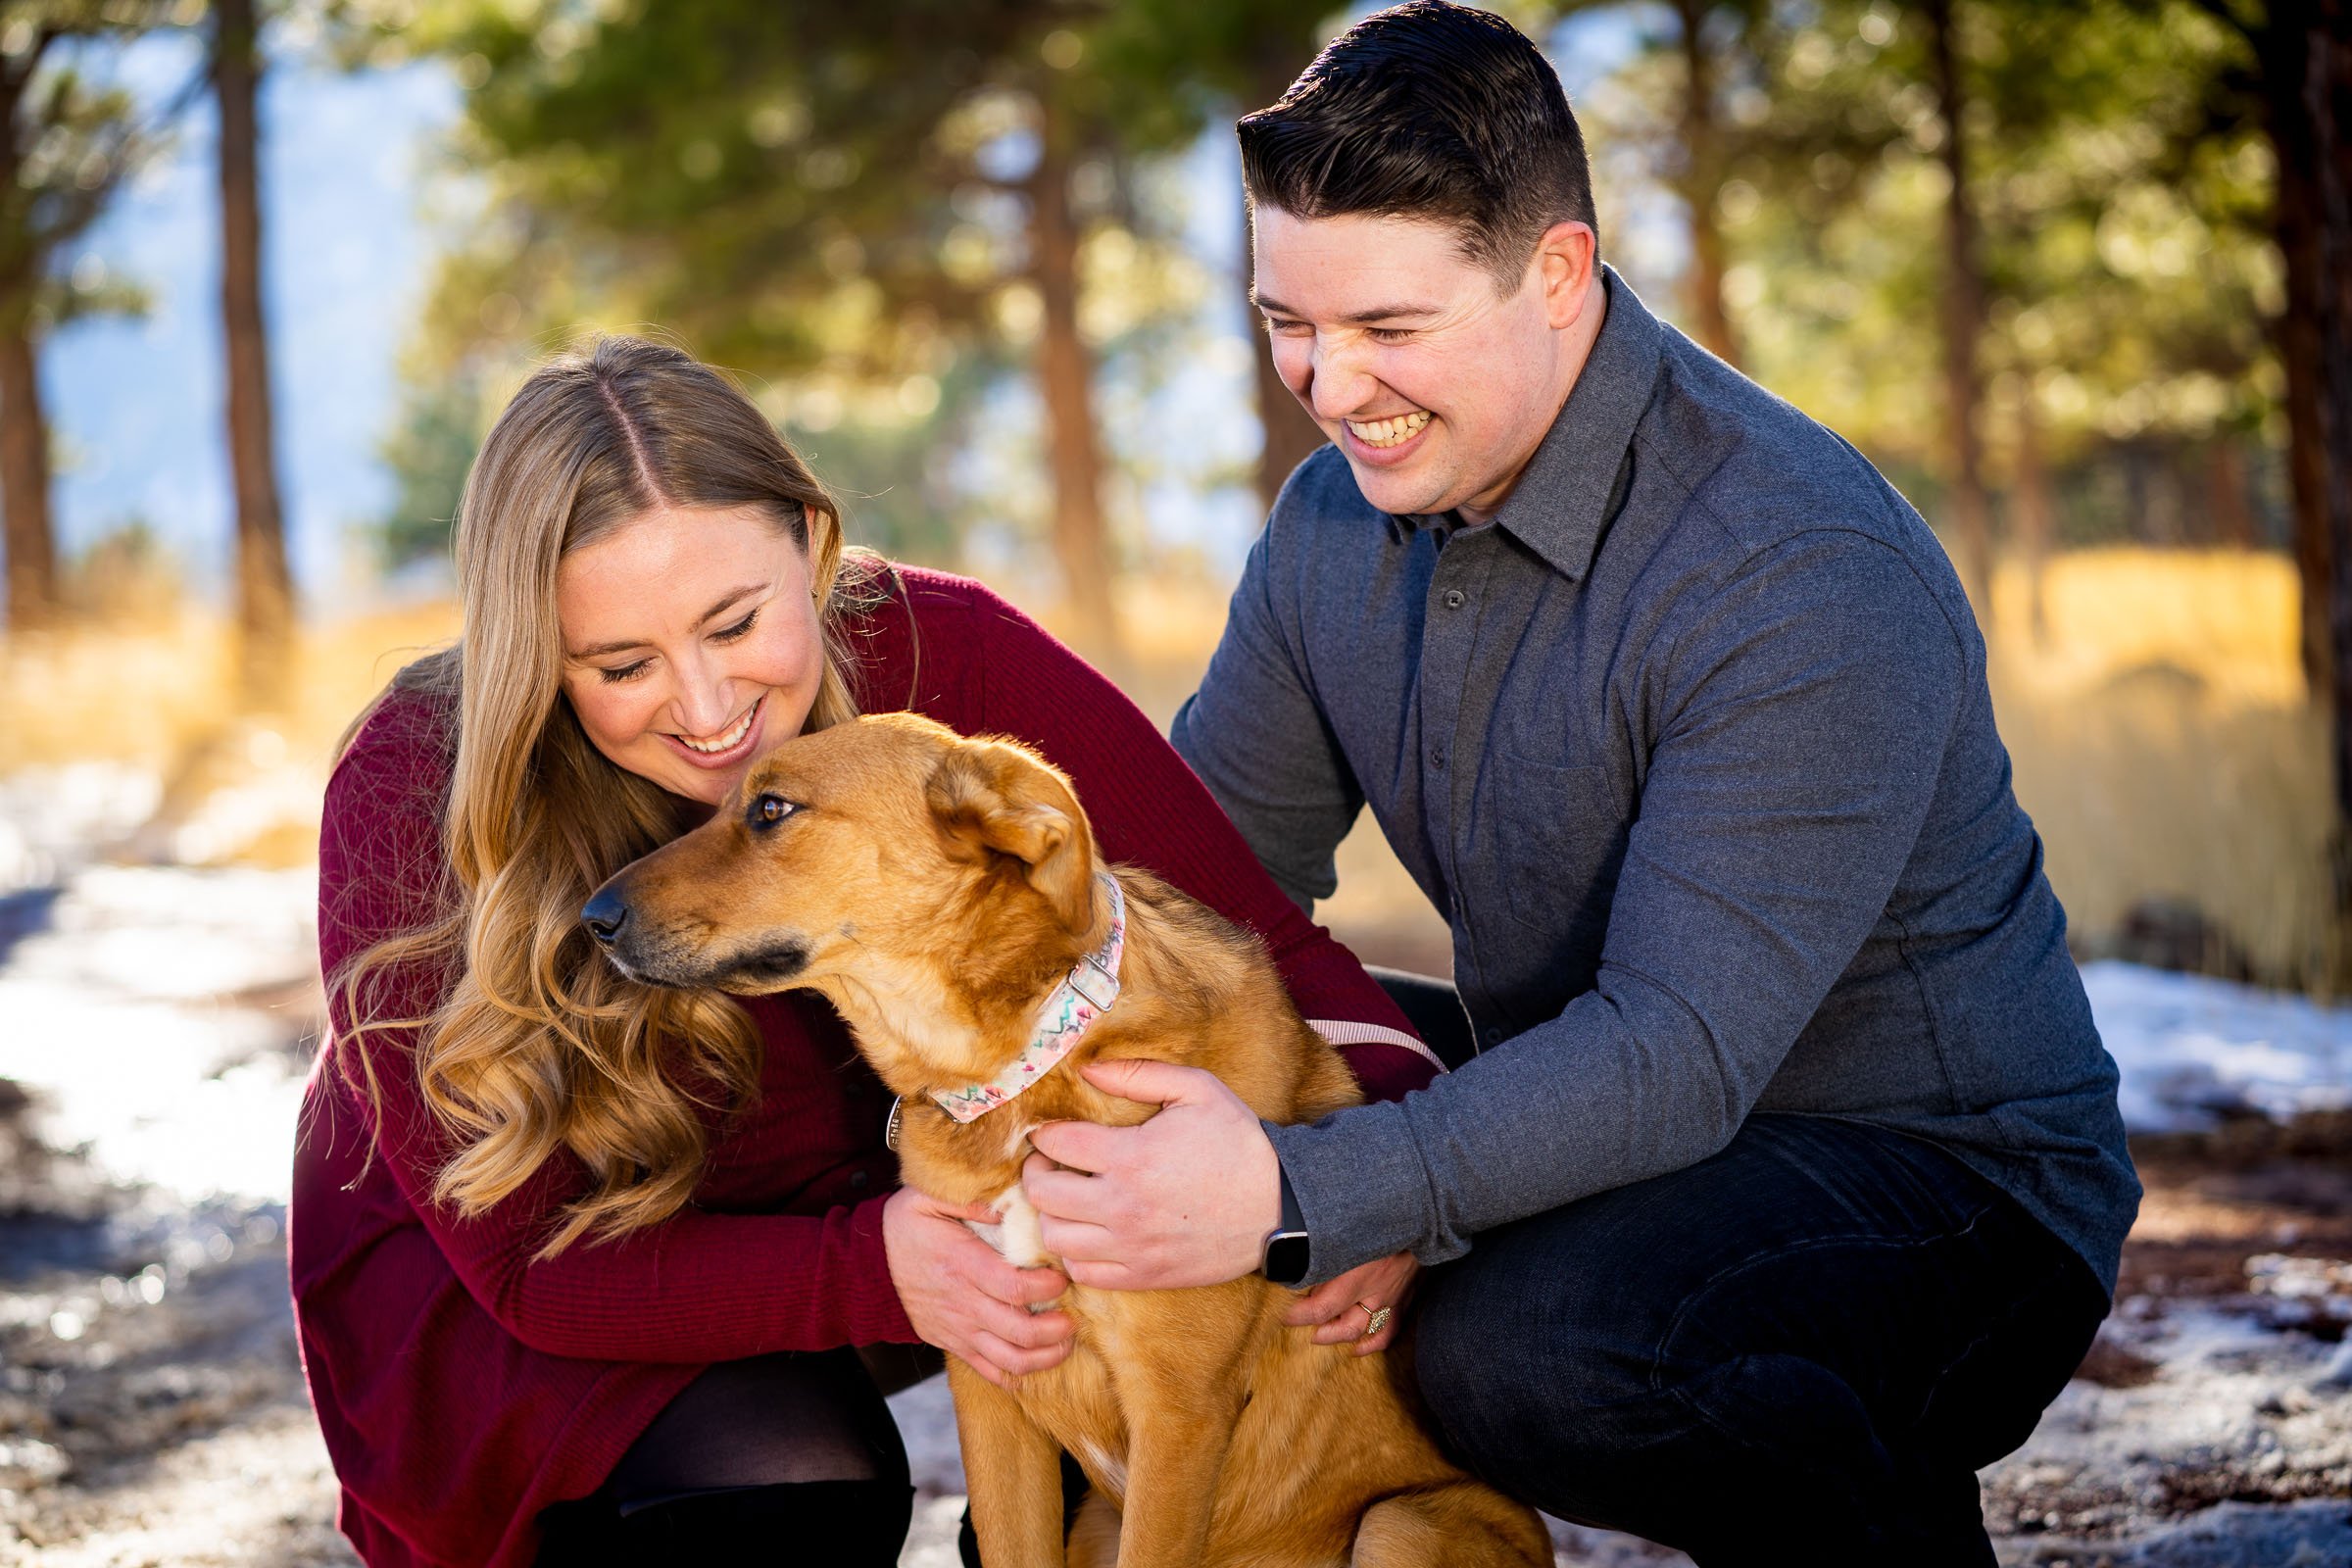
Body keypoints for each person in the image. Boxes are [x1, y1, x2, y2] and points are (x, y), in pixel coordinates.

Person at [1016, 5, 2142, 1563]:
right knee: (1097, 1126)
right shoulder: (1332, 527)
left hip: (1935, 1185)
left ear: (1557, 273)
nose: (1330, 388)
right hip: (1599, 1080)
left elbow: (1679, 1056)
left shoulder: (1789, 563)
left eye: (1390, 328)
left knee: (1521, 1352)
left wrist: (1314, 1187)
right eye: (1290, 321)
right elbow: (1206, 889)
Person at [289, 334, 1442, 1568]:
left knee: (1424, 1063)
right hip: (547, 1296)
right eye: (622, 666)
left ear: (812, 545)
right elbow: (528, 1270)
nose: (706, 706)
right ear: (536, 647)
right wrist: (878, 1269)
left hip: (889, 1195)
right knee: (793, 1486)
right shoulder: (419, 778)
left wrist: (1378, 1178)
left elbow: (1257, 938)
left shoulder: (944, 668)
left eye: (736, 623)